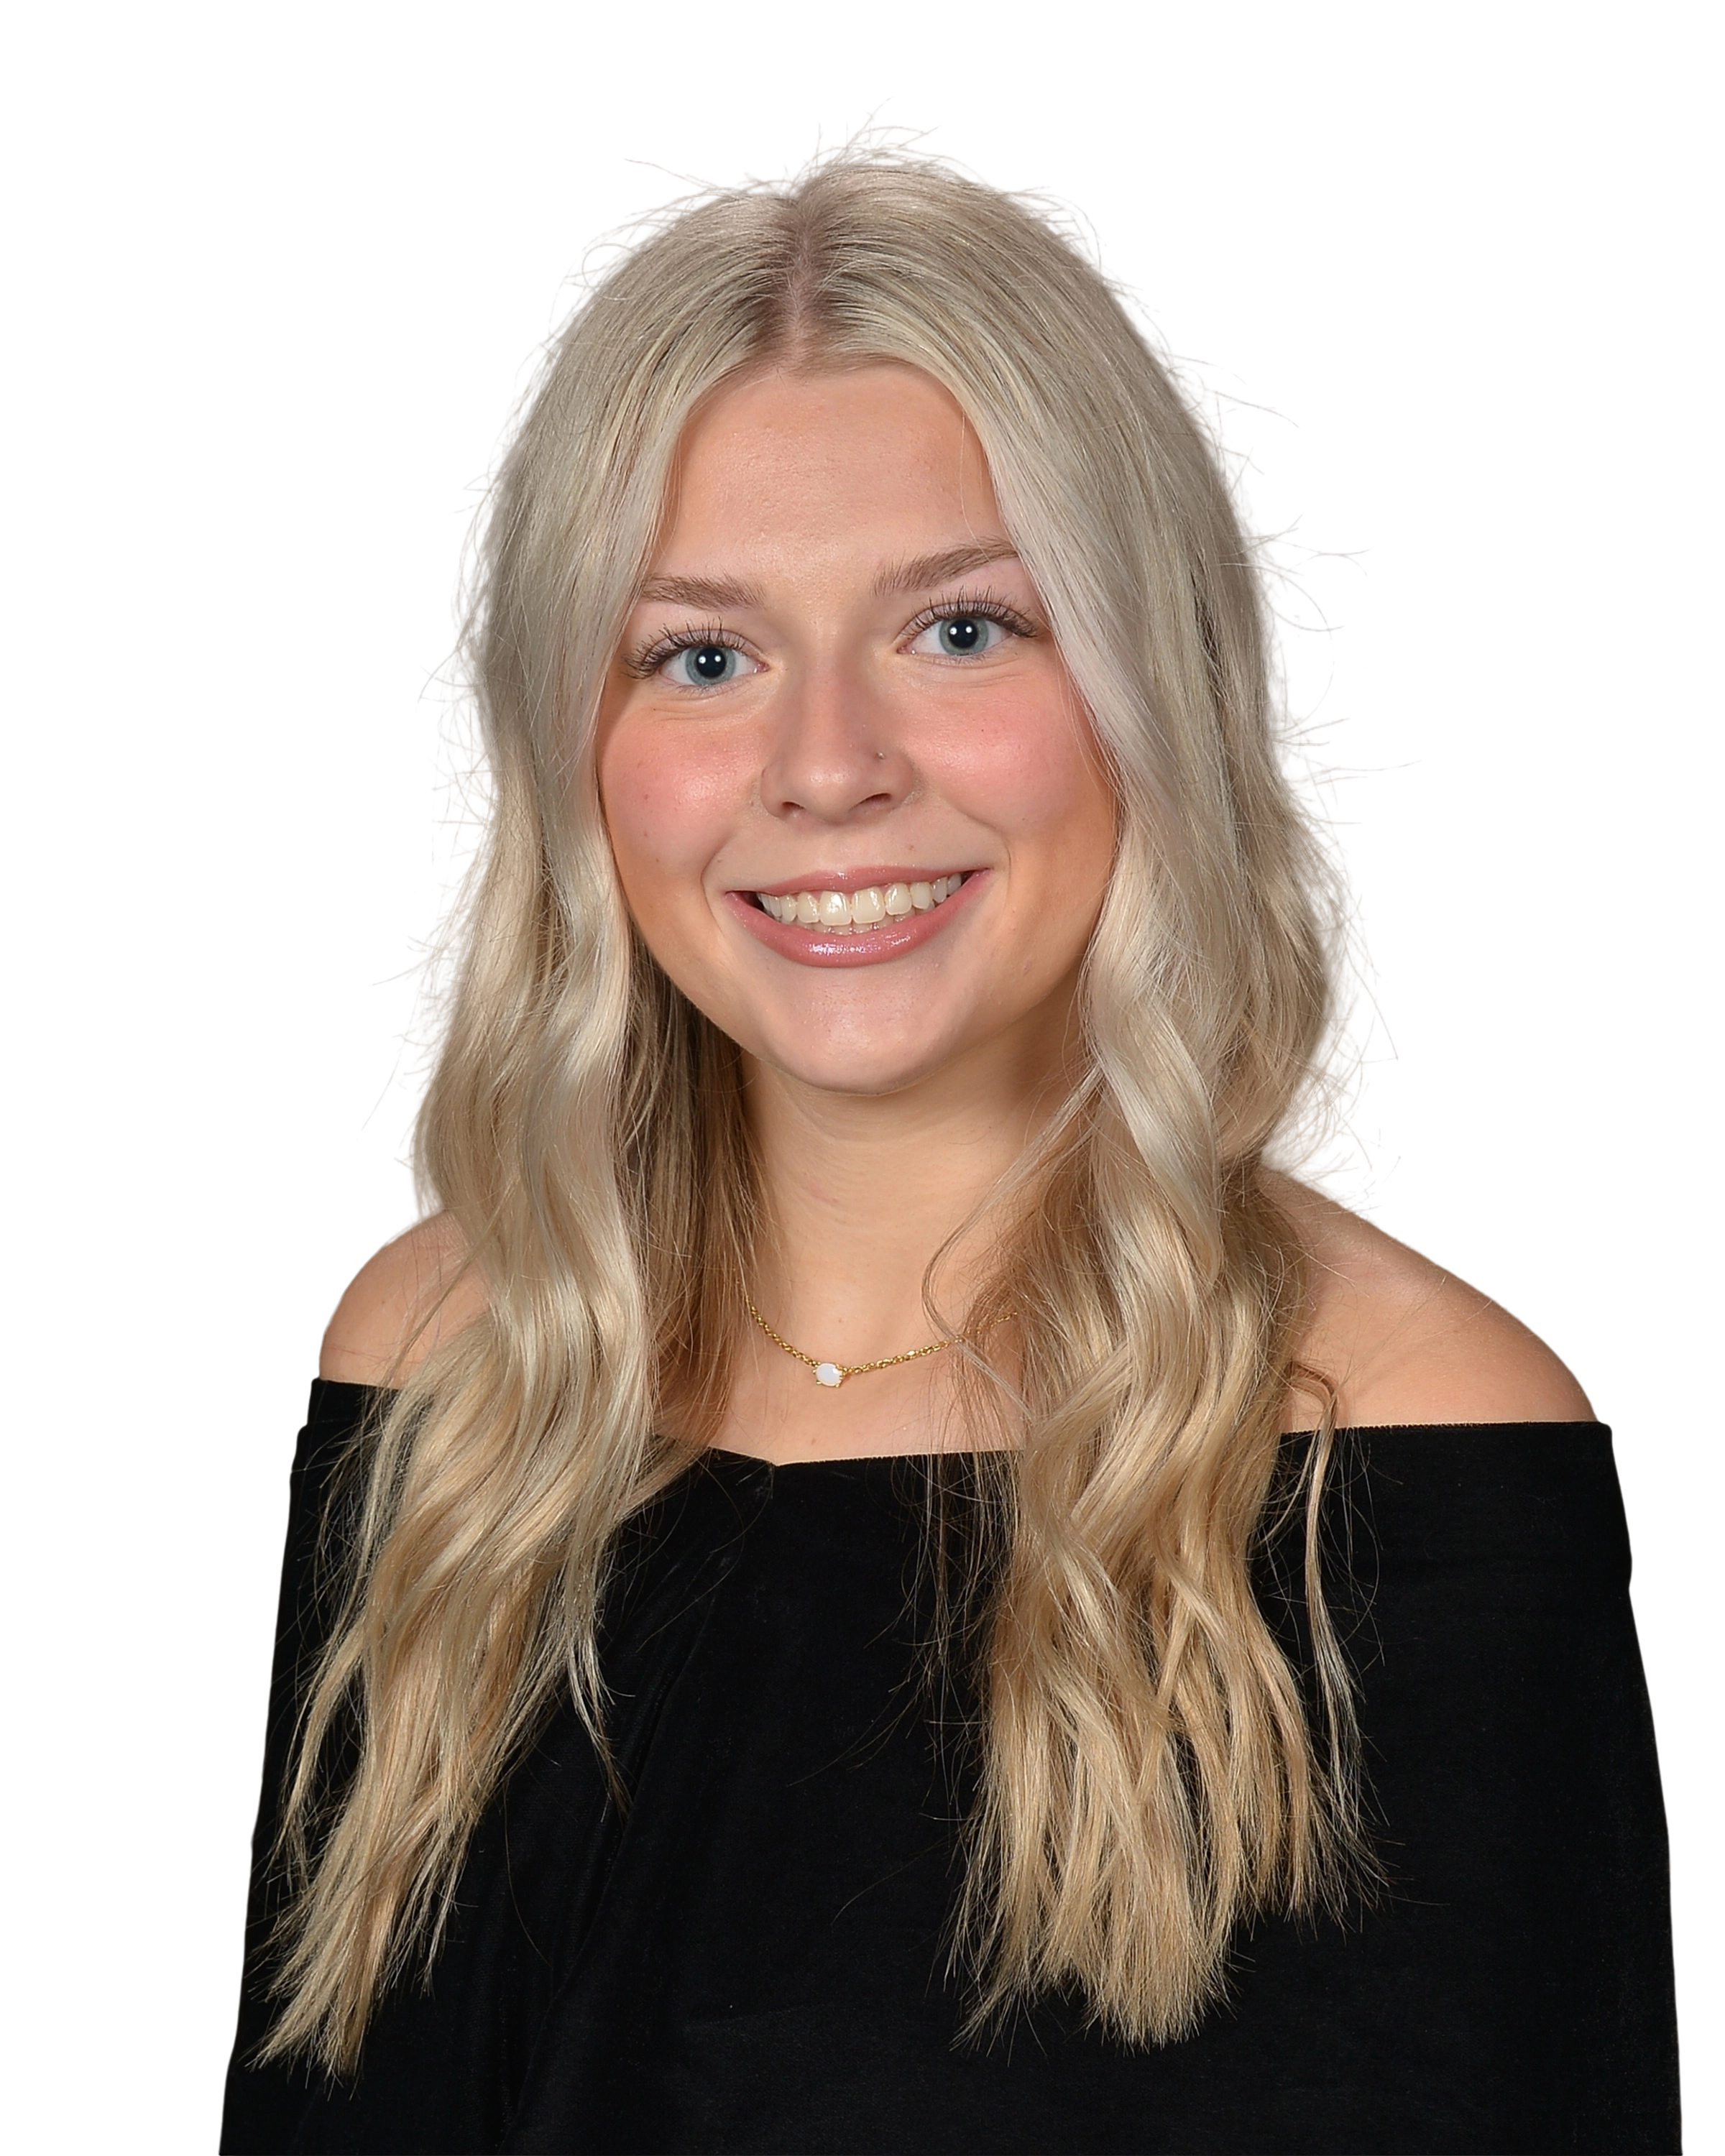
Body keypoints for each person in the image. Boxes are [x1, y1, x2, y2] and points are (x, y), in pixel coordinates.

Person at [218, 121, 1679, 2153]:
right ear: (578, 752)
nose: (828, 768)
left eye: (963, 630)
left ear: (1150, 684)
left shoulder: (1410, 1439)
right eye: (702, 656)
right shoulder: (452, 1365)